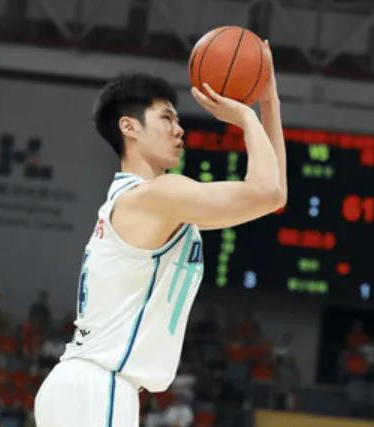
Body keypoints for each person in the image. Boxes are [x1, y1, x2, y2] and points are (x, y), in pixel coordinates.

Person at [34, 41, 287, 427]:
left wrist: (269, 104)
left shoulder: (153, 205)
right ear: (129, 127)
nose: (179, 129)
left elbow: (274, 197)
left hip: (91, 387)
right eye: (167, 118)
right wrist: (244, 117)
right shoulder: (156, 196)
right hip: (97, 386)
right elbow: (265, 191)